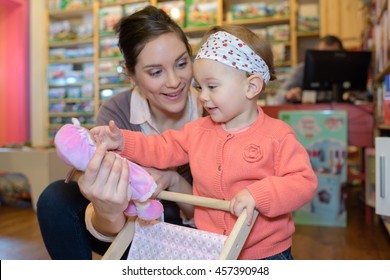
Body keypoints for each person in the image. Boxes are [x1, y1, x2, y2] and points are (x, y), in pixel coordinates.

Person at [90, 25, 318, 260]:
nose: (203, 96)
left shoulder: (277, 135)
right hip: (210, 249)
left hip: (266, 253)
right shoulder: (197, 131)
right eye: (199, 87)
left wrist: (258, 195)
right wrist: (122, 140)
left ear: (251, 87)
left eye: (212, 86)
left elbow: (303, 182)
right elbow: (160, 147)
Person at [36, 5, 203, 260]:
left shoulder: (215, 110)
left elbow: (218, 212)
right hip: (130, 229)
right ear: (130, 73)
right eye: (156, 72)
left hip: (197, 234)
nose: (174, 81)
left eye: (182, 63)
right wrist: (108, 211)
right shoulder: (117, 113)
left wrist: (172, 179)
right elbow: (109, 229)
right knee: (56, 198)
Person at [269, 35, 344, 104]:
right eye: (323, 54)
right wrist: (288, 95)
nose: (327, 59)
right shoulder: (301, 70)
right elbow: (278, 96)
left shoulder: (346, 71)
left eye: (331, 54)